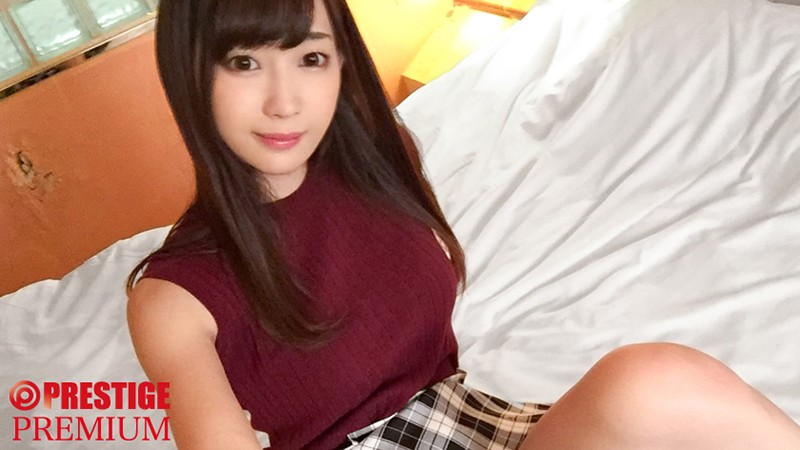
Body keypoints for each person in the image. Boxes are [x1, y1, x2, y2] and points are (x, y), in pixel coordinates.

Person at [126, 0, 800, 449]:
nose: (284, 101)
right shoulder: (173, 298)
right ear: (191, 75)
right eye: (244, 62)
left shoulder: (383, 161)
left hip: (472, 421)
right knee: (648, 385)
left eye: (310, 58)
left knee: (659, 387)